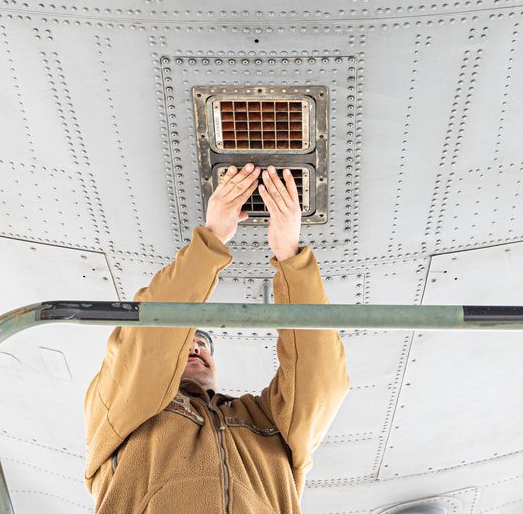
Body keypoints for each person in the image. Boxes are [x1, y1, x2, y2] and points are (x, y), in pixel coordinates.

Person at [83, 163, 350, 513]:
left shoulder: (263, 422)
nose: (194, 345)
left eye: (203, 343)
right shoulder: (123, 413)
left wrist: (289, 255)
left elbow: (321, 380)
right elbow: (146, 345)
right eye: (188, 342)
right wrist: (211, 239)